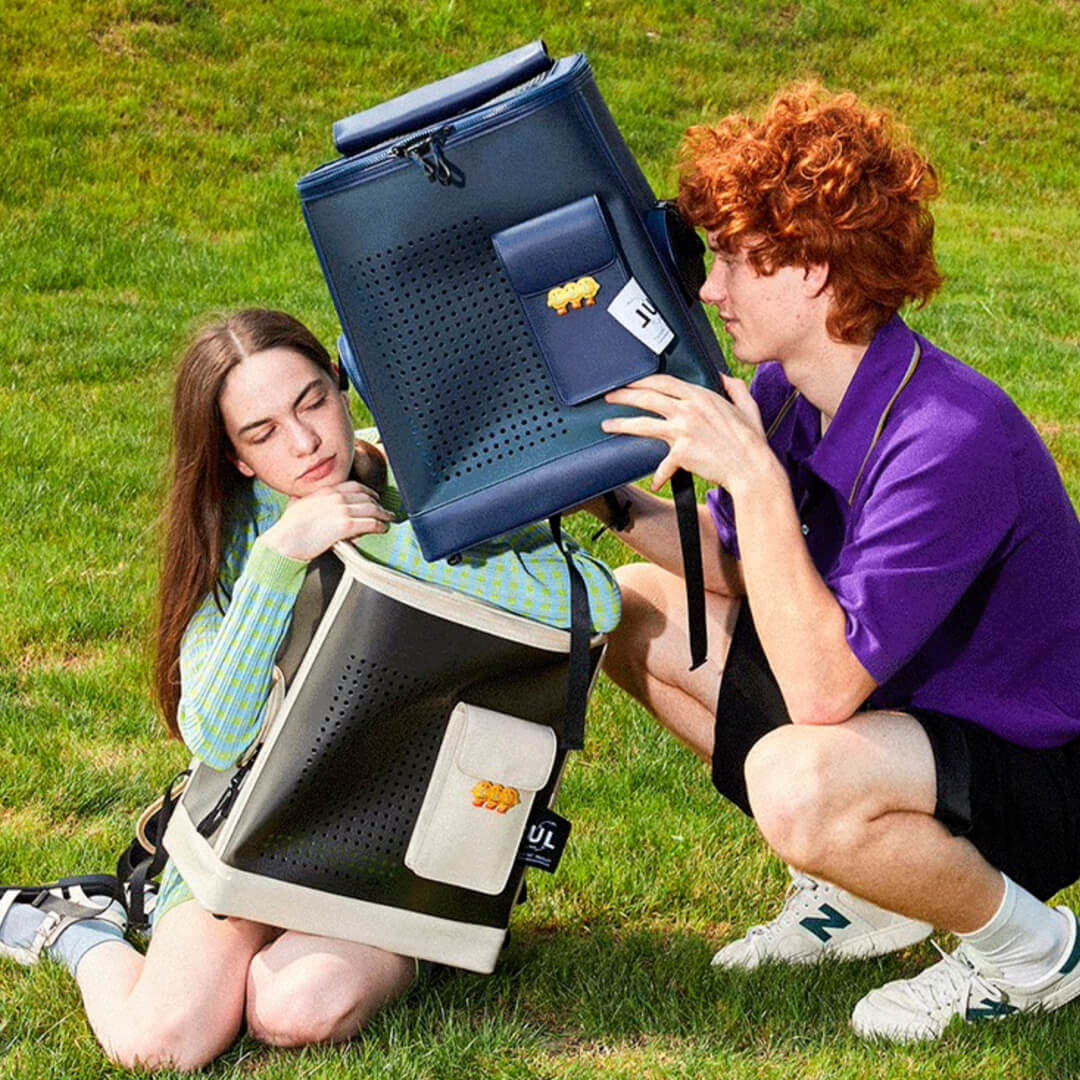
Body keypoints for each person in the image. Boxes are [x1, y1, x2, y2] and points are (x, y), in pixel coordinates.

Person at [586, 83, 1080, 1041]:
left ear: (813, 270)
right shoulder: (788, 389)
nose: (710, 291)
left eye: (735, 261)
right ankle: (872, 896)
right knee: (635, 608)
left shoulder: (946, 438)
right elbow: (735, 568)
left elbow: (819, 694)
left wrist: (752, 475)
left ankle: (1032, 954)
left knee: (797, 779)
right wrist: (608, 501)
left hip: (1039, 766)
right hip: (911, 715)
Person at [0, 309, 619, 1070]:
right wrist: (281, 555)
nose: (304, 443)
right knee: (160, 1044)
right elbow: (216, 735)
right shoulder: (234, 537)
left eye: (312, 402)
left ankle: (413, 945)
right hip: (255, 833)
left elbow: (595, 601)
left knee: (293, 1009)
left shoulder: (430, 476)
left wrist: (378, 538)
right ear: (236, 459)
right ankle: (76, 931)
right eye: (261, 434)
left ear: (340, 383)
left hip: (401, 850)